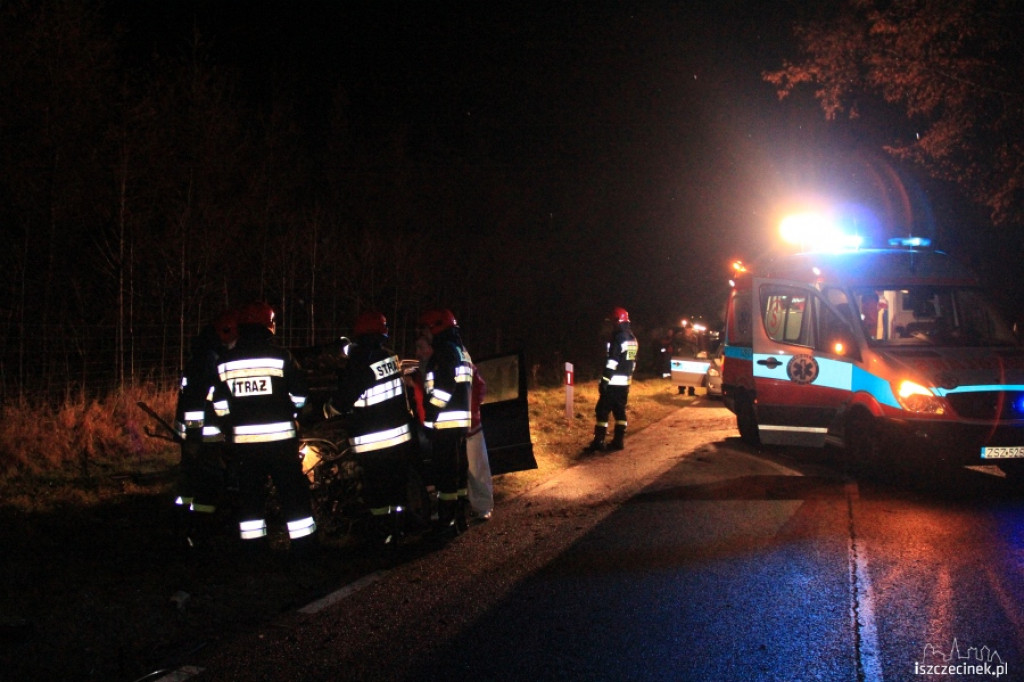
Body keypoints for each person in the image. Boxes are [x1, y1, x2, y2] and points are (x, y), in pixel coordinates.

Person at [213, 301, 317, 555]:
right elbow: (301, 395)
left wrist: (232, 424)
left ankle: (253, 551)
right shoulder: (281, 357)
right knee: (292, 495)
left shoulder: (225, 362)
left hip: (245, 449)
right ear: (269, 325)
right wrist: (293, 412)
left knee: (250, 499)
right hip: (281, 444)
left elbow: (219, 405)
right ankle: (304, 549)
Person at [326, 311, 413, 548]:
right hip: (399, 437)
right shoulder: (390, 357)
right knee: (397, 488)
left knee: (376, 490)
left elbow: (343, 401)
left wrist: (327, 409)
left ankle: (380, 533)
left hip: (373, 441)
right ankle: (398, 530)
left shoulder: (360, 363)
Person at [172, 309, 238, 548]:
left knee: (189, 481)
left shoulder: (201, 355)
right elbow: (197, 402)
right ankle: (202, 531)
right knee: (208, 483)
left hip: (194, 436)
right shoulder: (208, 360)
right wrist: (194, 436)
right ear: (226, 333)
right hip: (203, 436)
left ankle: (184, 524)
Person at [418, 308, 474, 537]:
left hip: (446, 424)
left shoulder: (444, 351)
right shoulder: (460, 350)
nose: (425, 333)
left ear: (436, 328)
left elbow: (443, 388)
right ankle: (459, 518)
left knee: (446, 475)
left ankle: (446, 523)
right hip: (459, 423)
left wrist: (430, 413)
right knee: (459, 474)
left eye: (426, 329)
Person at [586, 306, 639, 452]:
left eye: (612, 322)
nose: (611, 325)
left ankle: (599, 442)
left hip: (613, 383)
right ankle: (618, 441)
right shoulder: (632, 338)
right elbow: (632, 362)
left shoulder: (618, 337)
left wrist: (605, 380)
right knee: (620, 412)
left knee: (602, 411)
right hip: (625, 384)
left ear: (617, 321)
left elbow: (613, 361)